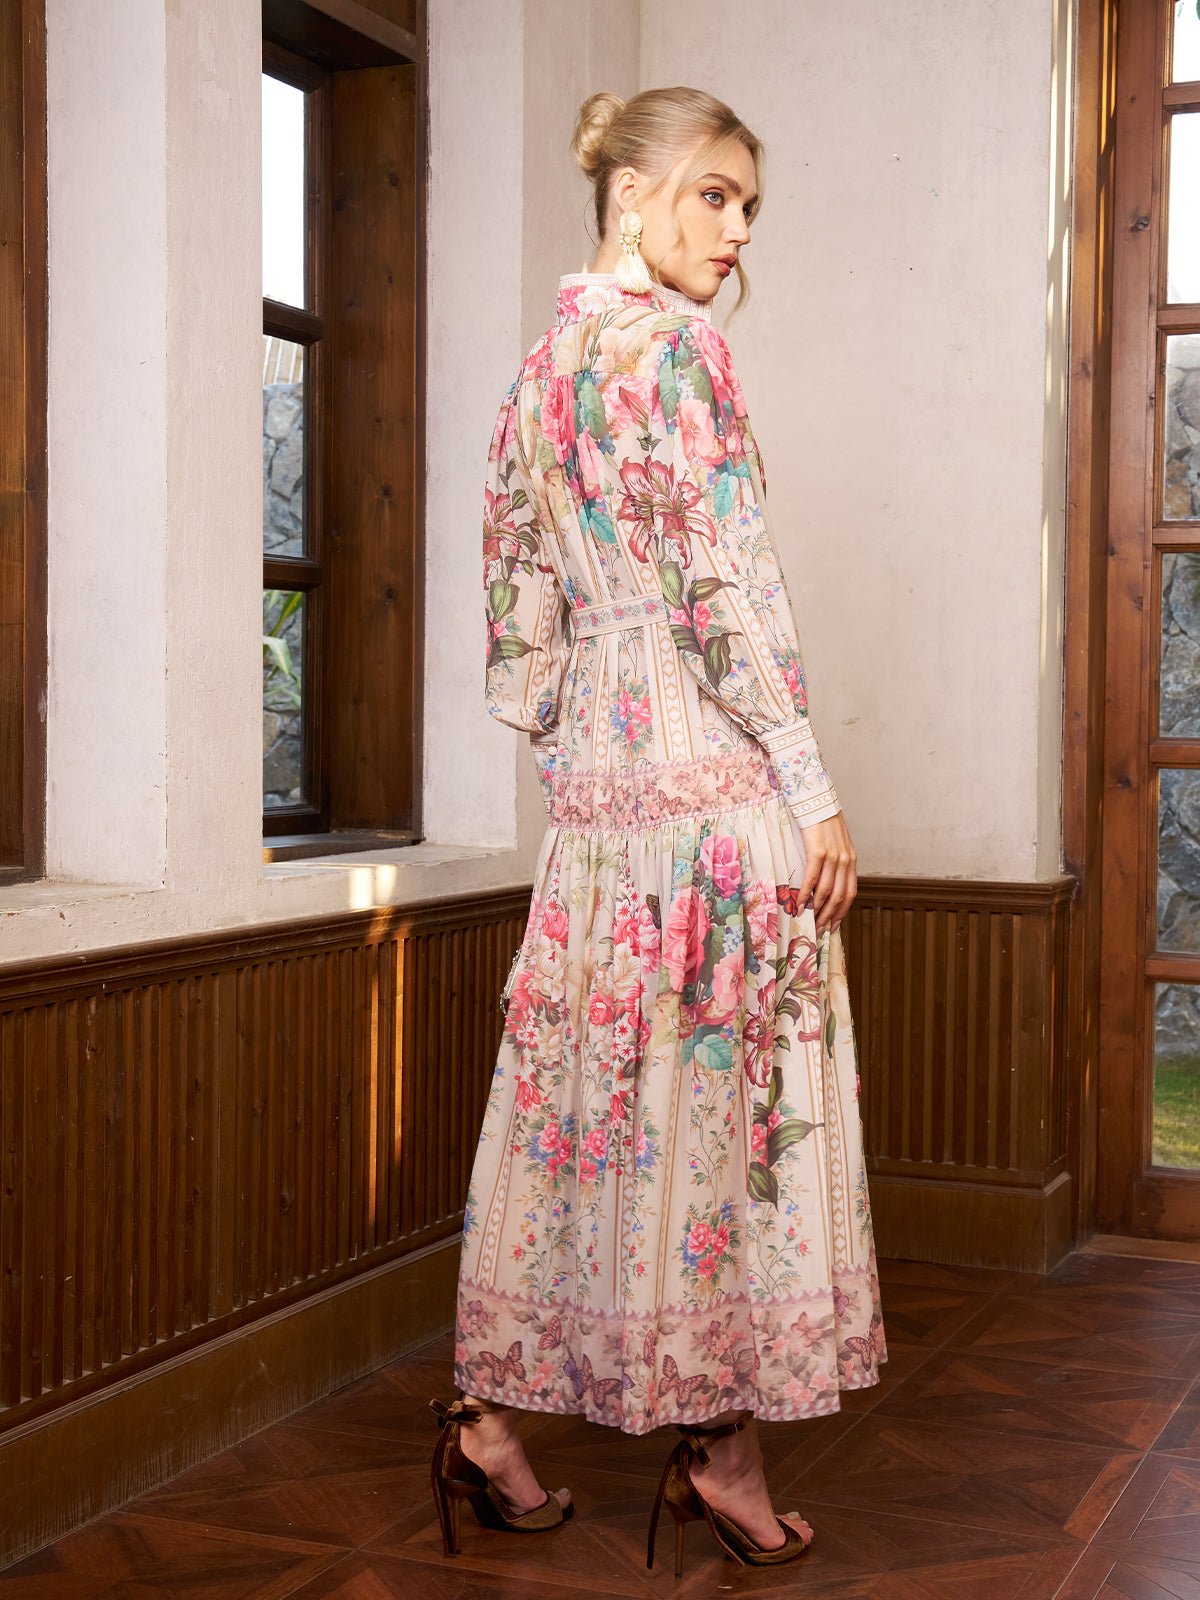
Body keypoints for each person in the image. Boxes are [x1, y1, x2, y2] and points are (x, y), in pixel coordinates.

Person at [430, 85, 885, 1576]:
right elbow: (726, 583)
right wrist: (807, 779)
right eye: (713, 196)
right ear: (631, 197)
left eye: (748, 204)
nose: (738, 229)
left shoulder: (535, 376)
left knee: (589, 1126)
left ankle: (491, 1428)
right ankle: (726, 1455)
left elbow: (513, 619)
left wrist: (581, 747)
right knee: (732, 1136)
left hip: (602, 824)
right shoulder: (682, 353)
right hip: (712, 799)